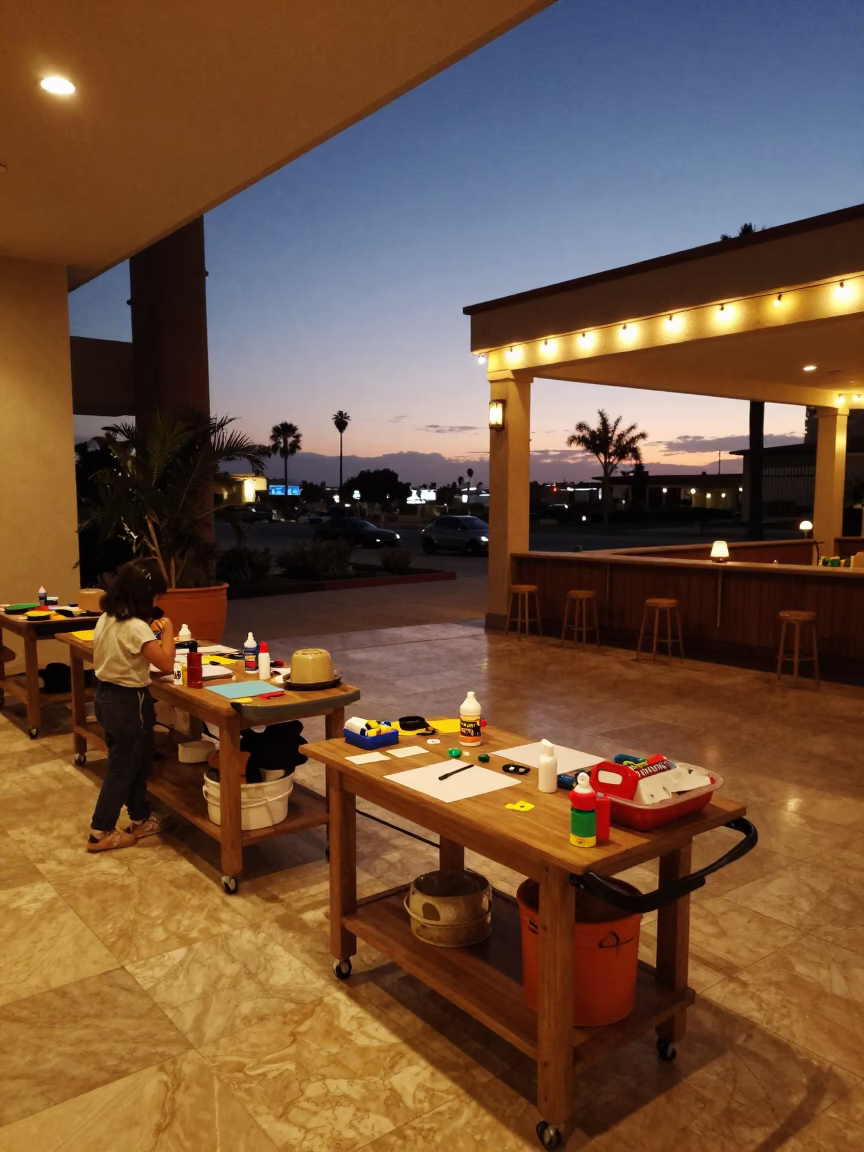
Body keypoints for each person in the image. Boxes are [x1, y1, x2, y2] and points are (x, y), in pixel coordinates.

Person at [86, 559, 177, 852]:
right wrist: (169, 631)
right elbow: (164, 664)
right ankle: (100, 832)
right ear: (143, 596)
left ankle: (140, 818)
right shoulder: (137, 627)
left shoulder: (107, 618)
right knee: (122, 769)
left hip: (105, 696)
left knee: (135, 763)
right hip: (129, 701)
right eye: (155, 597)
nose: (157, 602)